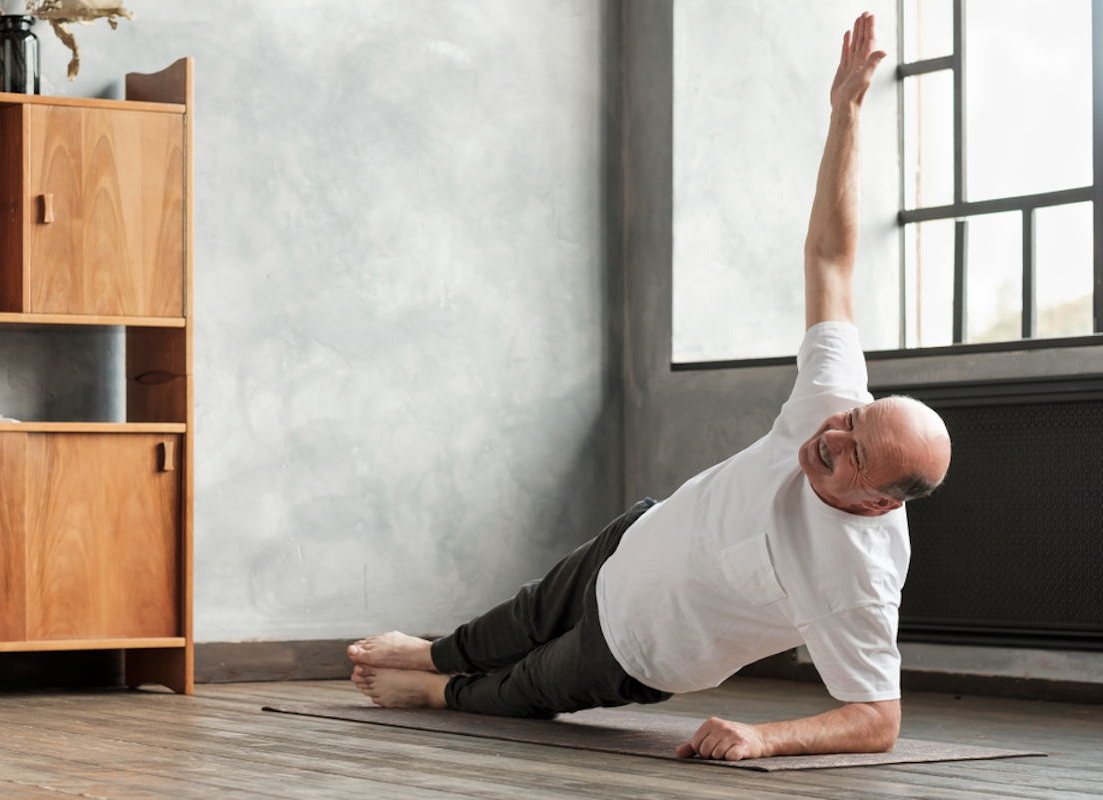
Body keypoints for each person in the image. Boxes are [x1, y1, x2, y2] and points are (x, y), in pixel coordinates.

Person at [347, 12, 951, 762]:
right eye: (851, 421)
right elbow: (830, 256)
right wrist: (846, 113)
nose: (831, 435)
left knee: (528, 688)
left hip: (641, 647)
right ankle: (435, 655)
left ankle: (436, 691)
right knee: (525, 613)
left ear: (879, 502)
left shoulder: (858, 576)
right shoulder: (831, 405)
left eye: (854, 453)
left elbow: (877, 719)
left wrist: (765, 737)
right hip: (635, 540)